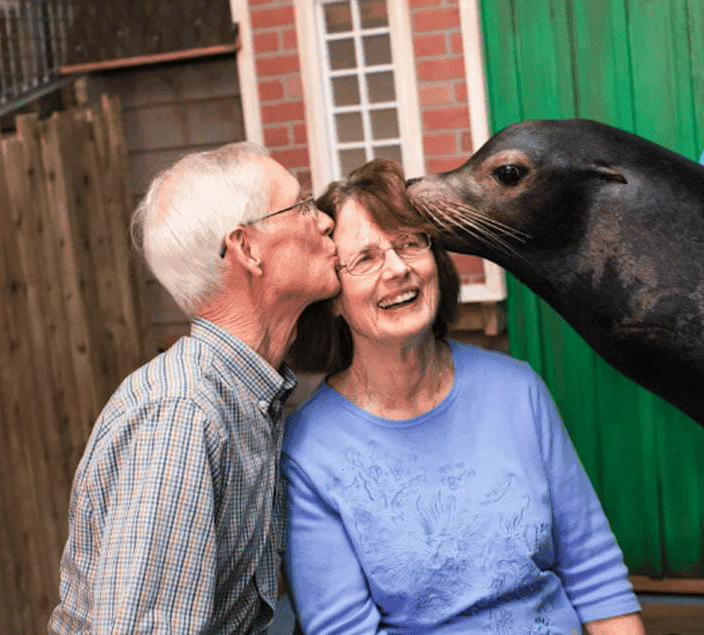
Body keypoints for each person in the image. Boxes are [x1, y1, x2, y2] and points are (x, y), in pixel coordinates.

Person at [281, 159, 645, 635]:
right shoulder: (310, 451)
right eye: (365, 258)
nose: (397, 269)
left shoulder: (516, 390)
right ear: (333, 296)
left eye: (410, 243)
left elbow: (594, 574)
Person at [48, 142, 340, 634]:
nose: (326, 221)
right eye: (302, 204)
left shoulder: (246, 395)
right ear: (247, 249)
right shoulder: (182, 416)